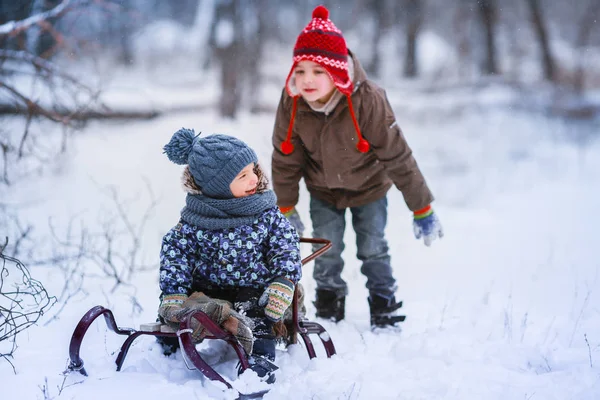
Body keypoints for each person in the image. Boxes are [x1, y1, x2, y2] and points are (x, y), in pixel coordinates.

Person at [271, 5, 443, 328]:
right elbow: (285, 157)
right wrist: (285, 207)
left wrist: (422, 208)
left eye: (318, 72)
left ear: (337, 73)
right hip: (323, 189)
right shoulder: (292, 102)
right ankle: (328, 304)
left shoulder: (368, 101)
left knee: (373, 247)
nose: (307, 80)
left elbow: (398, 155)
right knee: (326, 249)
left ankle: (383, 303)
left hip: (370, 188)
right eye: (301, 70)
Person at [158, 128, 302, 383]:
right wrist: (174, 292)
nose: (254, 180)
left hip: (252, 286)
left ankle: (260, 360)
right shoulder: (196, 218)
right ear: (219, 187)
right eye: (243, 176)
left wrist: (284, 280)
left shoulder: (265, 213)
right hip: (208, 287)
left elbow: (285, 245)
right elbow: (175, 253)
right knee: (184, 307)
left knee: (258, 311)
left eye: (253, 171)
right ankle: (166, 347)